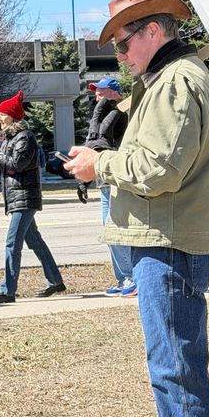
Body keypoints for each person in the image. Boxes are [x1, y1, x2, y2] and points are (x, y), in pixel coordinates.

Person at [65, 0, 209, 417]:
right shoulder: (169, 80)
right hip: (166, 239)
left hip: (169, 242)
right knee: (170, 367)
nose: (120, 55)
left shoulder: (176, 82)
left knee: (178, 369)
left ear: (153, 32)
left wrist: (102, 165)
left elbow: (158, 171)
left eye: (123, 42)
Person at [0, 90, 66, 304]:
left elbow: (17, 164)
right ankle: (55, 281)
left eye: (2, 114)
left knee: (12, 243)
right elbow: (1, 169)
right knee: (35, 242)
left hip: (25, 197)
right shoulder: (11, 138)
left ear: (13, 115)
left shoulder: (25, 137)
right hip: (17, 197)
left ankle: (8, 290)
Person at [79, 76, 136, 297]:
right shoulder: (103, 111)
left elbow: (99, 138)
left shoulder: (119, 112)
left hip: (116, 178)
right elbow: (90, 146)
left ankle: (131, 277)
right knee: (108, 230)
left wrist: (99, 109)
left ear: (114, 92)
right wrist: (84, 180)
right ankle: (123, 278)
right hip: (103, 180)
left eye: (101, 91)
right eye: (96, 92)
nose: (97, 95)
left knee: (115, 230)